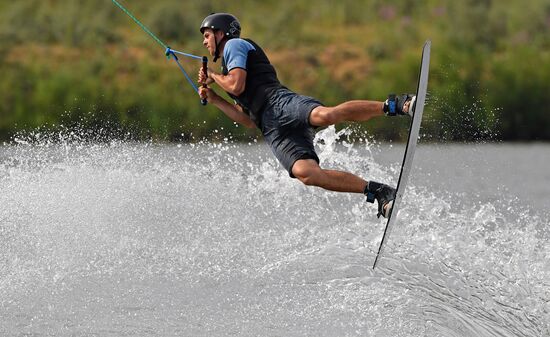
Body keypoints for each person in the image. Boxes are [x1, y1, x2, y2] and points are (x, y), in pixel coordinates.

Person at [197, 13, 415, 218]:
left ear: (221, 33)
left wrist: (213, 76)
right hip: (269, 127)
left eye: (207, 36)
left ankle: (397, 105)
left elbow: (236, 84)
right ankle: (379, 192)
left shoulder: (234, 46)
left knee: (325, 116)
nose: (205, 42)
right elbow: (246, 120)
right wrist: (215, 99)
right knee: (307, 173)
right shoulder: (226, 73)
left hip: (279, 102)